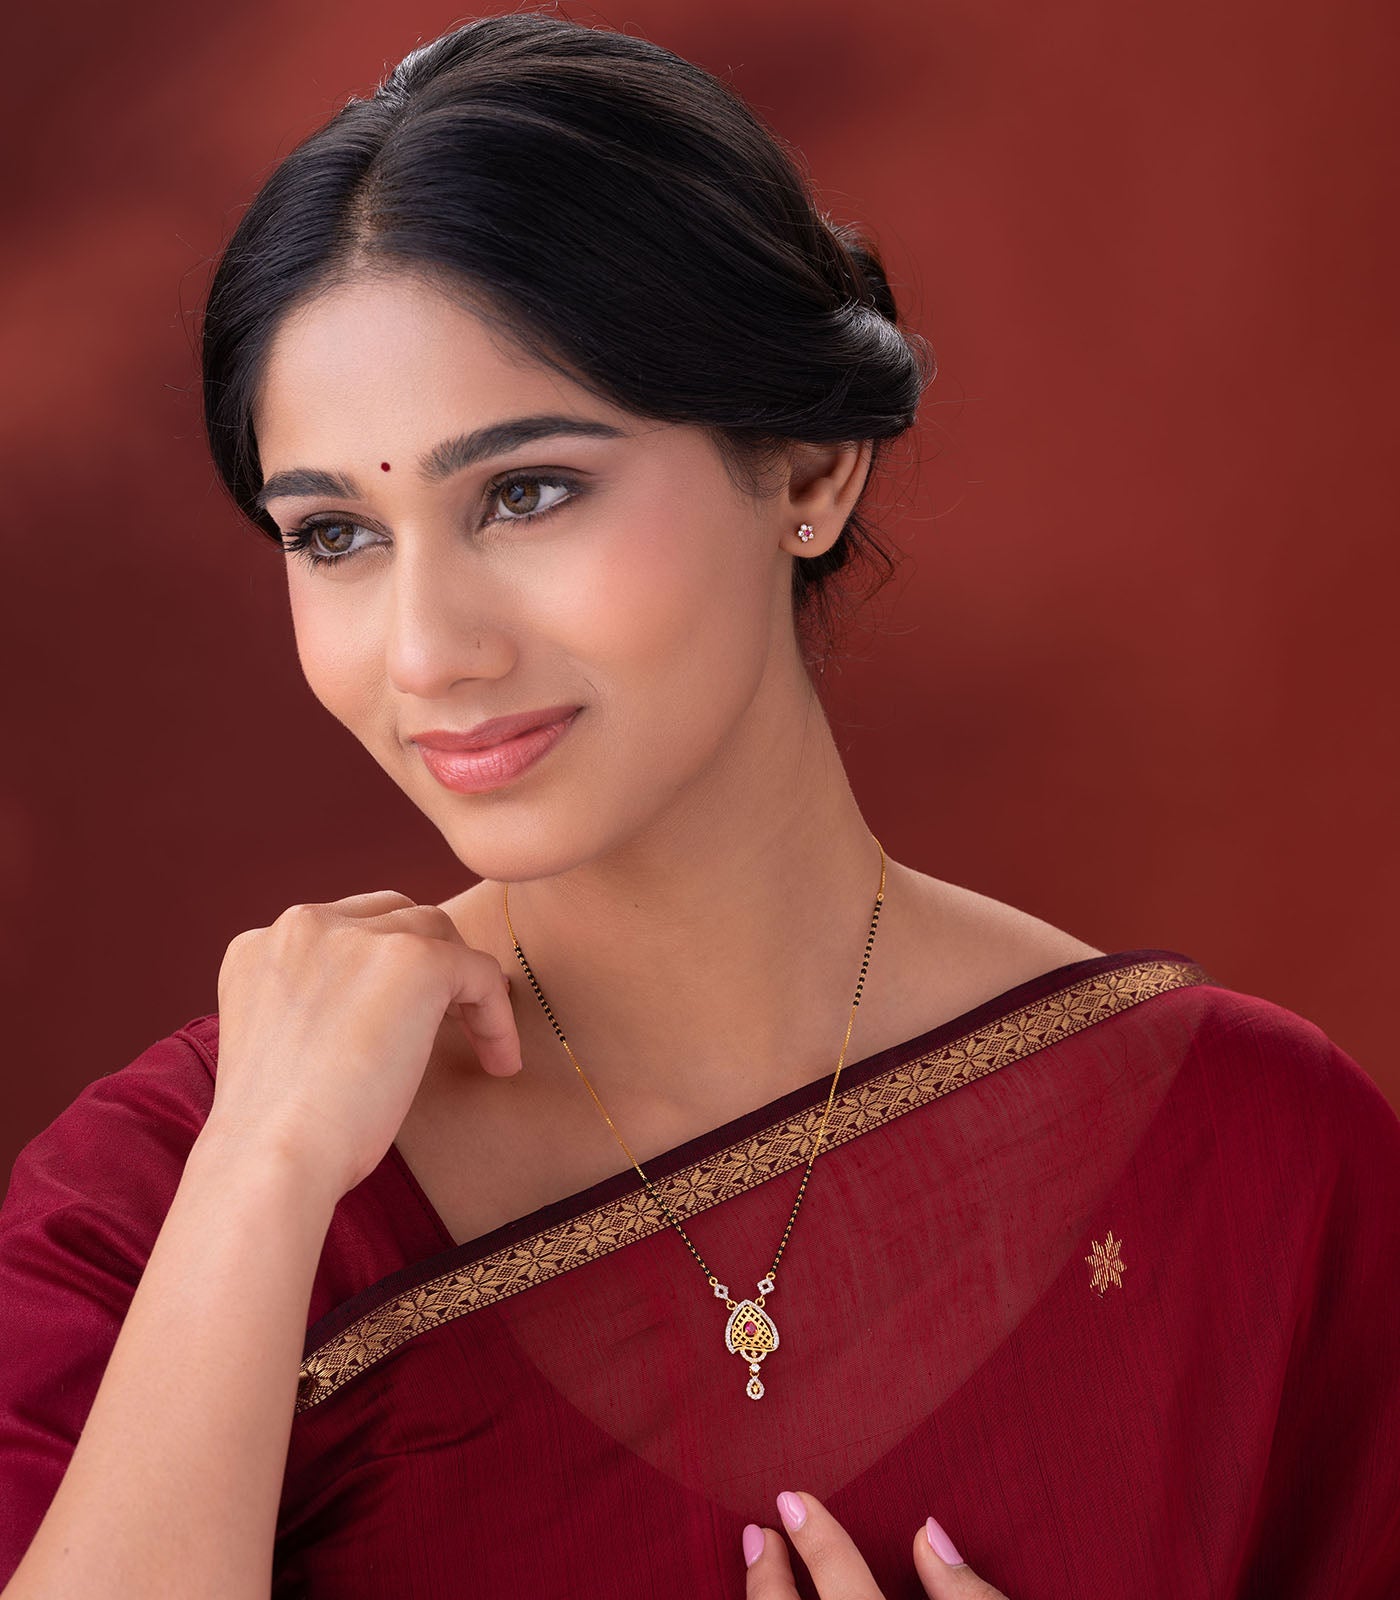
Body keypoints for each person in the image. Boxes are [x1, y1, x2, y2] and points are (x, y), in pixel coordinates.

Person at [2, 11, 1397, 1598]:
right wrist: (259, 1181)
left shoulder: (1247, 1163)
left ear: (807, 472)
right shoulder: (162, 1206)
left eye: (526, 493)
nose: (427, 649)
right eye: (333, 536)